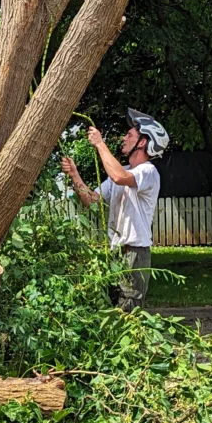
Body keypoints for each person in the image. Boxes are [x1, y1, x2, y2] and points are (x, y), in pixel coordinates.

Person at [61, 108, 169, 311]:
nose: (124, 138)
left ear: (143, 142)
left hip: (134, 254)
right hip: (115, 252)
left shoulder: (148, 171)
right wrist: (75, 174)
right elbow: (90, 201)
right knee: (111, 312)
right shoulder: (122, 172)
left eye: (130, 135)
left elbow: (119, 177)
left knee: (128, 314)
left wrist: (100, 144)